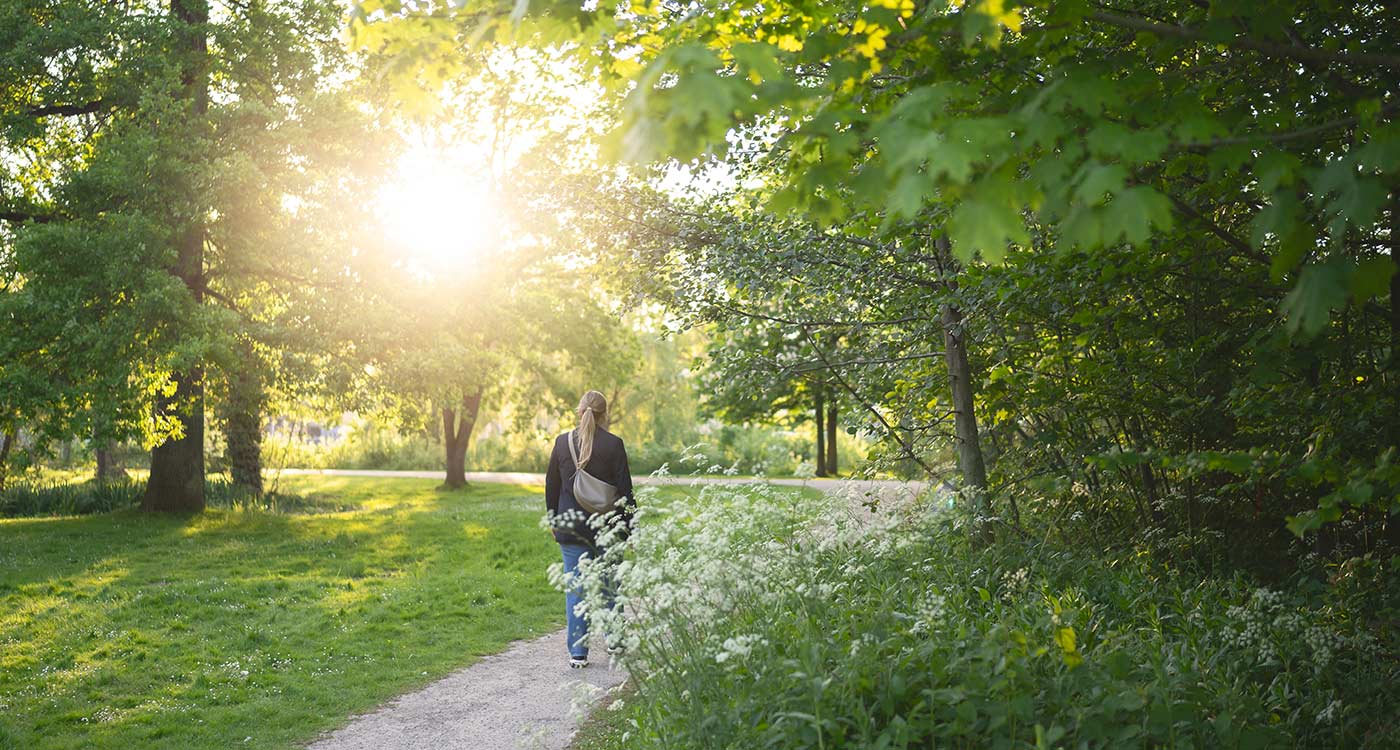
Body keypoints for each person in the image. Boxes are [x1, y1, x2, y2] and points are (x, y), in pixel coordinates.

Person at [544, 390, 634, 668]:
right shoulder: (614, 445)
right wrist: (630, 531)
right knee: (609, 587)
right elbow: (625, 493)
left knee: (577, 590)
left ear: (579, 411)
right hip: (607, 529)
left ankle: (578, 654)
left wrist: (553, 521)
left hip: (571, 529)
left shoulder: (561, 443)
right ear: (604, 414)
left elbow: (551, 487)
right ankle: (615, 640)